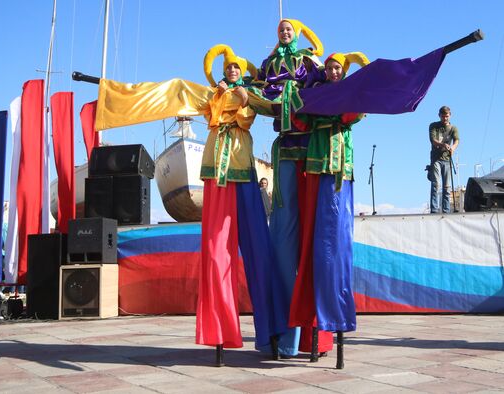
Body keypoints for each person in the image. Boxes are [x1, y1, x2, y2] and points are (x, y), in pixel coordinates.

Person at [94, 44, 287, 364]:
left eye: (237, 68)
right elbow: (177, 95)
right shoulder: (210, 95)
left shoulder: (249, 94)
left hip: (242, 170)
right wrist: (220, 97)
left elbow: (258, 112)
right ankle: (220, 333)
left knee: (260, 250)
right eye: (229, 69)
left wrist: (243, 97)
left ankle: (274, 330)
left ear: (243, 71)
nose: (233, 72)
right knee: (215, 252)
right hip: (215, 173)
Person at [256, 18, 334, 358]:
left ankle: (317, 333)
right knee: (282, 237)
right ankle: (285, 336)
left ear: (296, 33)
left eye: (288, 30)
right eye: (280, 32)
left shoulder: (307, 60)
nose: (285, 34)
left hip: (312, 151)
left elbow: (325, 86)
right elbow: (261, 89)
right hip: (285, 148)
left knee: (315, 236)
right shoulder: (272, 63)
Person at [289, 52, 369, 353]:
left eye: (339, 68)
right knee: (315, 240)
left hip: (339, 171)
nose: (335, 72)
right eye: (331, 68)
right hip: (316, 167)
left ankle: (333, 318)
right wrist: (295, 95)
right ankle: (313, 323)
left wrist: (337, 104)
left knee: (335, 244)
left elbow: (353, 115)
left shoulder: (350, 95)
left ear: (344, 72)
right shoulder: (317, 95)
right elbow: (299, 119)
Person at [429, 106, 459, 214]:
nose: (445, 118)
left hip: (447, 160)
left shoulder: (453, 128)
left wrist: (453, 148)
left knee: (447, 187)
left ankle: (446, 211)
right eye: (443, 116)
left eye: (446, 116)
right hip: (436, 159)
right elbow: (433, 140)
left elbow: (456, 140)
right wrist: (443, 144)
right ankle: (434, 210)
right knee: (436, 184)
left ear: (450, 115)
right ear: (439, 116)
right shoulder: (433, 126)